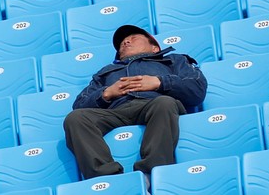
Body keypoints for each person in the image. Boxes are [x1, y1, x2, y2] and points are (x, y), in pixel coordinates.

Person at [63, 24, 207, 183]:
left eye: (133, 38)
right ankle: (107, 181)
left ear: (154, 48)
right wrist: (106, 94)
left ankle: (151, 175)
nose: (125, 42)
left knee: (164, 103)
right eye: (122, 42)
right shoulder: (105, 72)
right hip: (115, 112)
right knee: (76, 118)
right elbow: (79, 104)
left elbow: (197, 90)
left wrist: (159, 82)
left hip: (153, 103)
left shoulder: (174, 60)